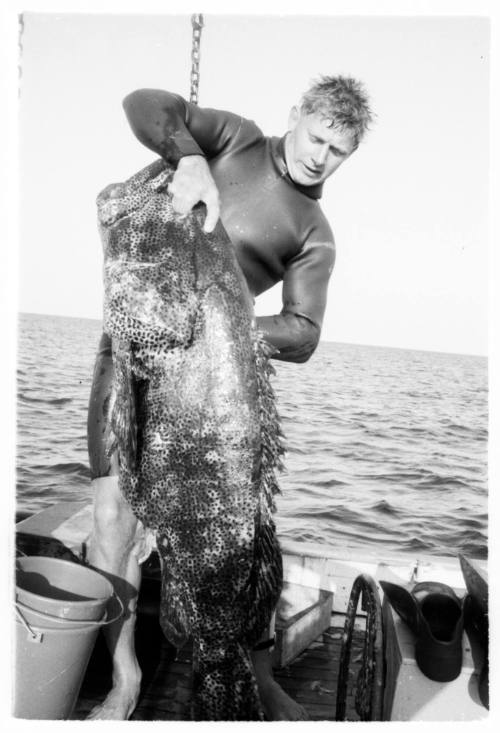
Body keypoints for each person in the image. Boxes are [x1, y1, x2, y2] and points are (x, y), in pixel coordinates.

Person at [87, 75, 372, 720]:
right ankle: (124, 678)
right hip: (131, 353)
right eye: (317, 135)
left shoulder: (314, 232)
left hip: (217, 385)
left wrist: (216, 326)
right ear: (295, 114)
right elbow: (144, 104)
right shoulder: (233, 139)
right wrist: (190, 159)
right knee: (111, 522)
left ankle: (256, 674)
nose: (319, 155)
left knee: (244, 531)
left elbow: (301, 333)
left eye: (338, 151)